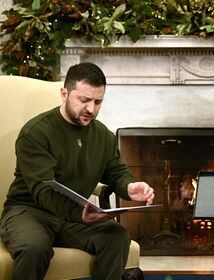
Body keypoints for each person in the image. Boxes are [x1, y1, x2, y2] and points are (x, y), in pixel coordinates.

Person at [0, 62, 155, 280]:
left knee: (116, 235)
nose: (91, 109)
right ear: (64, 94)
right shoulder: (35, 133)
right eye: (84, 100)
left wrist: (130, 187)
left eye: (98, 101)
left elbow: (116, 172)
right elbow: (43, 191)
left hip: (73, 218)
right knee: (34, 249)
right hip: (29, 212)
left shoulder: (103, 136)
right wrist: (80, 214)